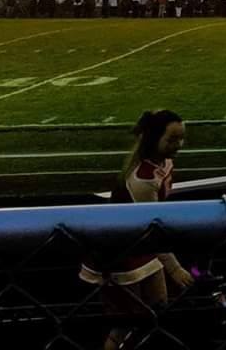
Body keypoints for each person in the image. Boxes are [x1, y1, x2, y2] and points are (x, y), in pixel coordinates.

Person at [80, 110, 192, 350]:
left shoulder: (163, 164)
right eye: (172, 139)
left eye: (181, 138)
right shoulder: (142, 179)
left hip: (141, 244)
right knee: (127, 320)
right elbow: (151, 227)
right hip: (120, 251)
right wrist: (175, 268)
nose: (179, 145)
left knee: (158, 307)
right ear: (154, 139)